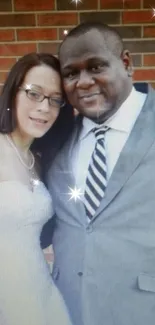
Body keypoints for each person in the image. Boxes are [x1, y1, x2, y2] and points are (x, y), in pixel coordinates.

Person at [41, 21, 155, 325]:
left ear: (126, 63)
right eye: (71, 73)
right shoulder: (54, 136)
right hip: (67, 310)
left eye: (96, 67)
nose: (83, 82)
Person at [0, 52, 74, 325]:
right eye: (34, 94)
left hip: (39, 292)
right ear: (13, 92)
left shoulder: (40, 161)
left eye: (55, 100)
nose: (45, 107)